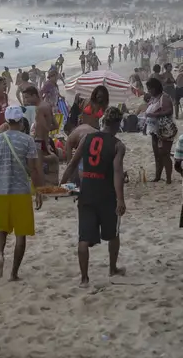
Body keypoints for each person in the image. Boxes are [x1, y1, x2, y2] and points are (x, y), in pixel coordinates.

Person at [61, 107, 126, 287]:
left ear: (102, 121)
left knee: (83, 238)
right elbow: (117, 173)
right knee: (113, 233)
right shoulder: (118, 145)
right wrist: (120, 199)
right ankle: (112, 268)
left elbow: (73, 163)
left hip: (87, 190)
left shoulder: (87, 138)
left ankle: (84, 278)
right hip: (106, 192)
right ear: (117, 124)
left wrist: (60, 185)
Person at [0, 106, 44, 281]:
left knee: (2, 228)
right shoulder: (28, 141)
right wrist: (39, 191)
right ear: (20, 121)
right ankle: (14, 274)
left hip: (2, 191)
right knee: (21, 234)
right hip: (22, 193)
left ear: (7, 121)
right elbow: (33, 169)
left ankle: (0, 255)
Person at [145, 77, 176, 184]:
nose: (149, 91)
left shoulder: (165, 97)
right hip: (154, 130)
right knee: (157, 155)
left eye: (150, 89)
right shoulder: (152, 98)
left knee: (164, 154)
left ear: (156, 88)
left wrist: (155, 114)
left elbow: (169, 110)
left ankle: (168, 179)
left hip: (165, 130)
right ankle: (157, 177)